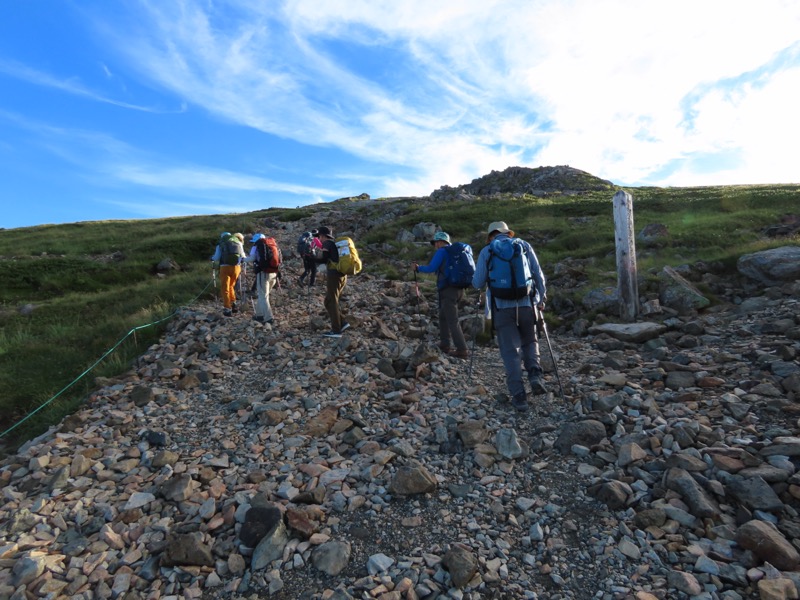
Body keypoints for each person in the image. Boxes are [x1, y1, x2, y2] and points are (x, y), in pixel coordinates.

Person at [472, 221, 548, 412]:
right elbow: (538, 273)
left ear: (491, 235)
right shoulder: (523, 245)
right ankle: (534, 375)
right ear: (508, 234)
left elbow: (477, 282)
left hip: (501, 307)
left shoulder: (487, 251)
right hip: (526, 303)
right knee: (530, 341)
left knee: (510, 351)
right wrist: (541, 298)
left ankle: (519, 396)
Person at [413, 231, 469, 358]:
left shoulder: (442, 252)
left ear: (439, 242)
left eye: (435, 243)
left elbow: (431, 268)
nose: (435, 246)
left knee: (452, 320)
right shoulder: (456, 253)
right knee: (443, 316)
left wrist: (417, 268)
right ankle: (445, 343)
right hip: (459, 289)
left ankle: (462, 349)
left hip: (448, 290)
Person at [317, 226, 350, 337]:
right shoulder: (334, 243)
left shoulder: (327, 243)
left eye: (319, 236)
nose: (319, 239)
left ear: (322, 236)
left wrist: (311, 259)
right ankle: (343, 323)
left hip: (334, 275)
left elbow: (324, 259)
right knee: (328, 301)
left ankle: (336, 330)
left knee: (332, 301)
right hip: (342, 275)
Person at [244, 233, 279, 324]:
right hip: (273, 273)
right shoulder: (272, 245)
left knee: (263, 296)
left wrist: (242, 259)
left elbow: (252, 258)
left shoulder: (258, 246)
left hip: (263, 274)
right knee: (263, 294)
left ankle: (268, 318)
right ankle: (259, 315)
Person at [211, 231, 245, 317]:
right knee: (231, 286)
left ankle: (227, 308)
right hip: (236, 268)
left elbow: (217, 257)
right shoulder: (238, 242)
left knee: (225, 288)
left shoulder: (221, 244)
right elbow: (242, 256)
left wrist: (211, 258)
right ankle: (234, 304)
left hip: (225, 267)